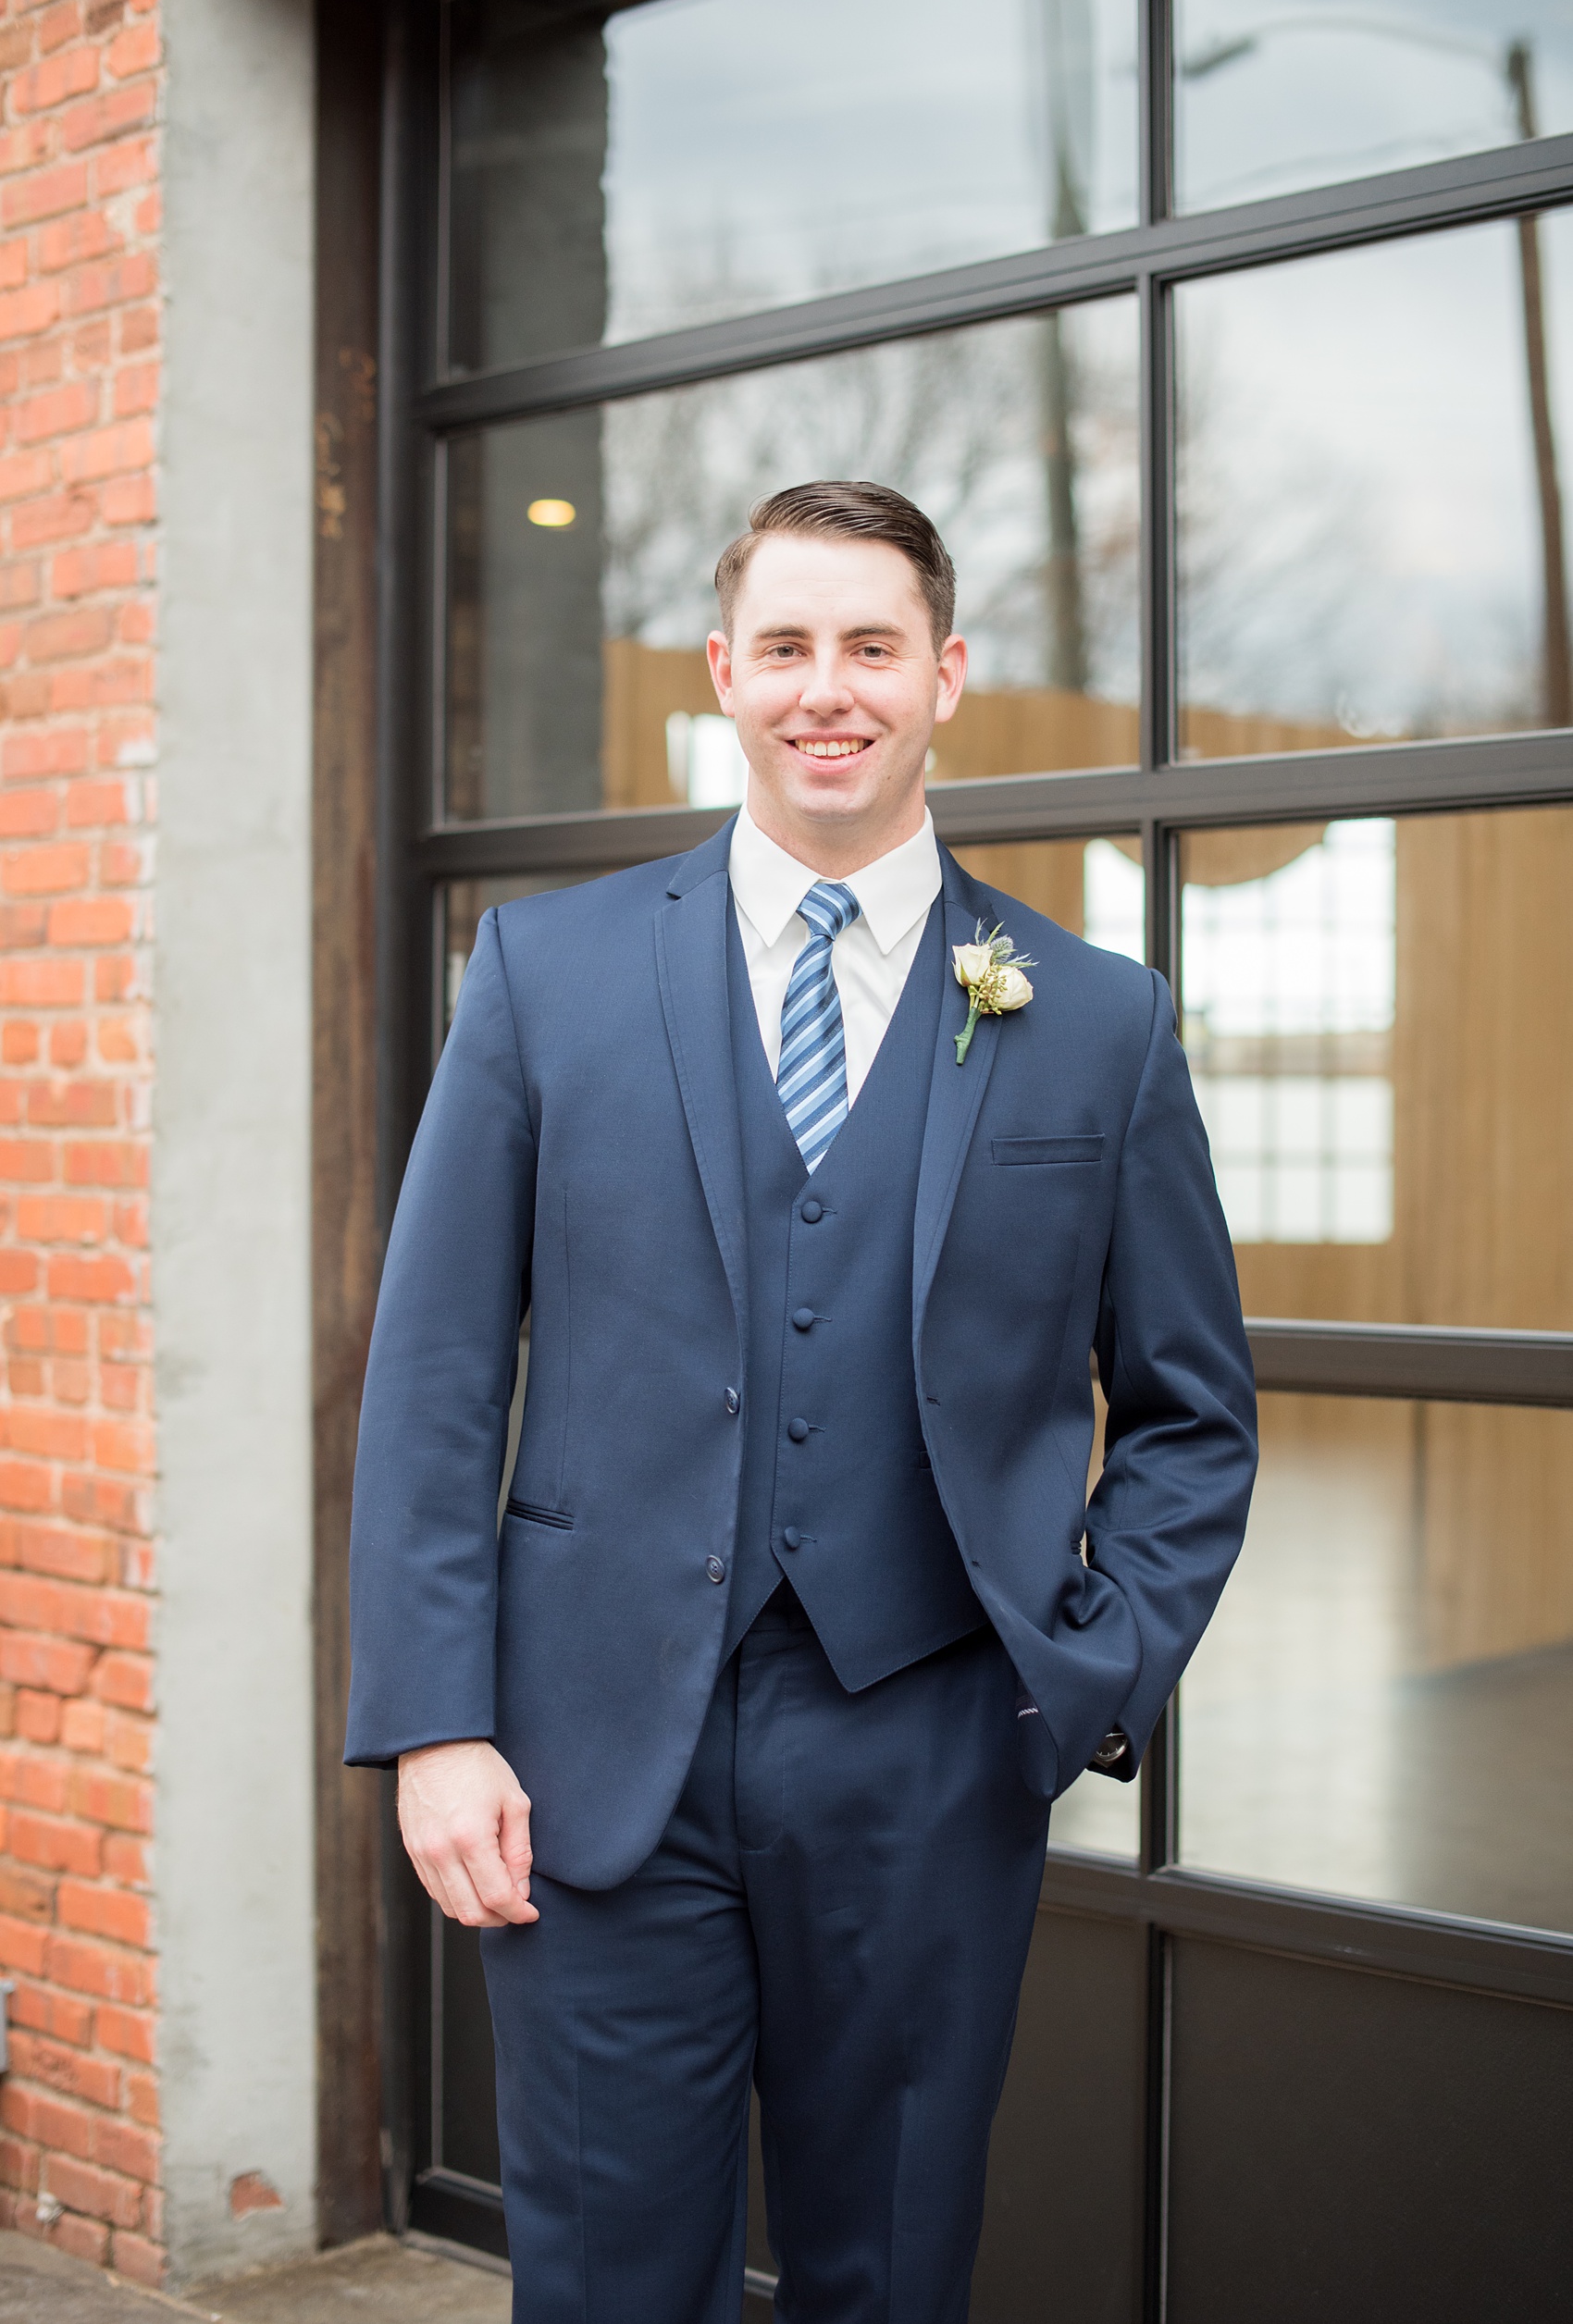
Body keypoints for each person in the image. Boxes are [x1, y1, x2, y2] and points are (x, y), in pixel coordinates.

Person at [346, 481, 1257, 2323]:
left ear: (946, 675)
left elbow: (1187, 1409)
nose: (823, 688)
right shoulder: (545, 974)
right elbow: (439, 1373)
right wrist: (433, 1720)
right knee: (607, 2281)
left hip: (929, 1746)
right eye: (784, 646)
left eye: (869, 645)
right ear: (720, 671)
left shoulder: (1093, 1018)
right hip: (593, 1757)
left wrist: (1084, 1665)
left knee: (890, 2273)